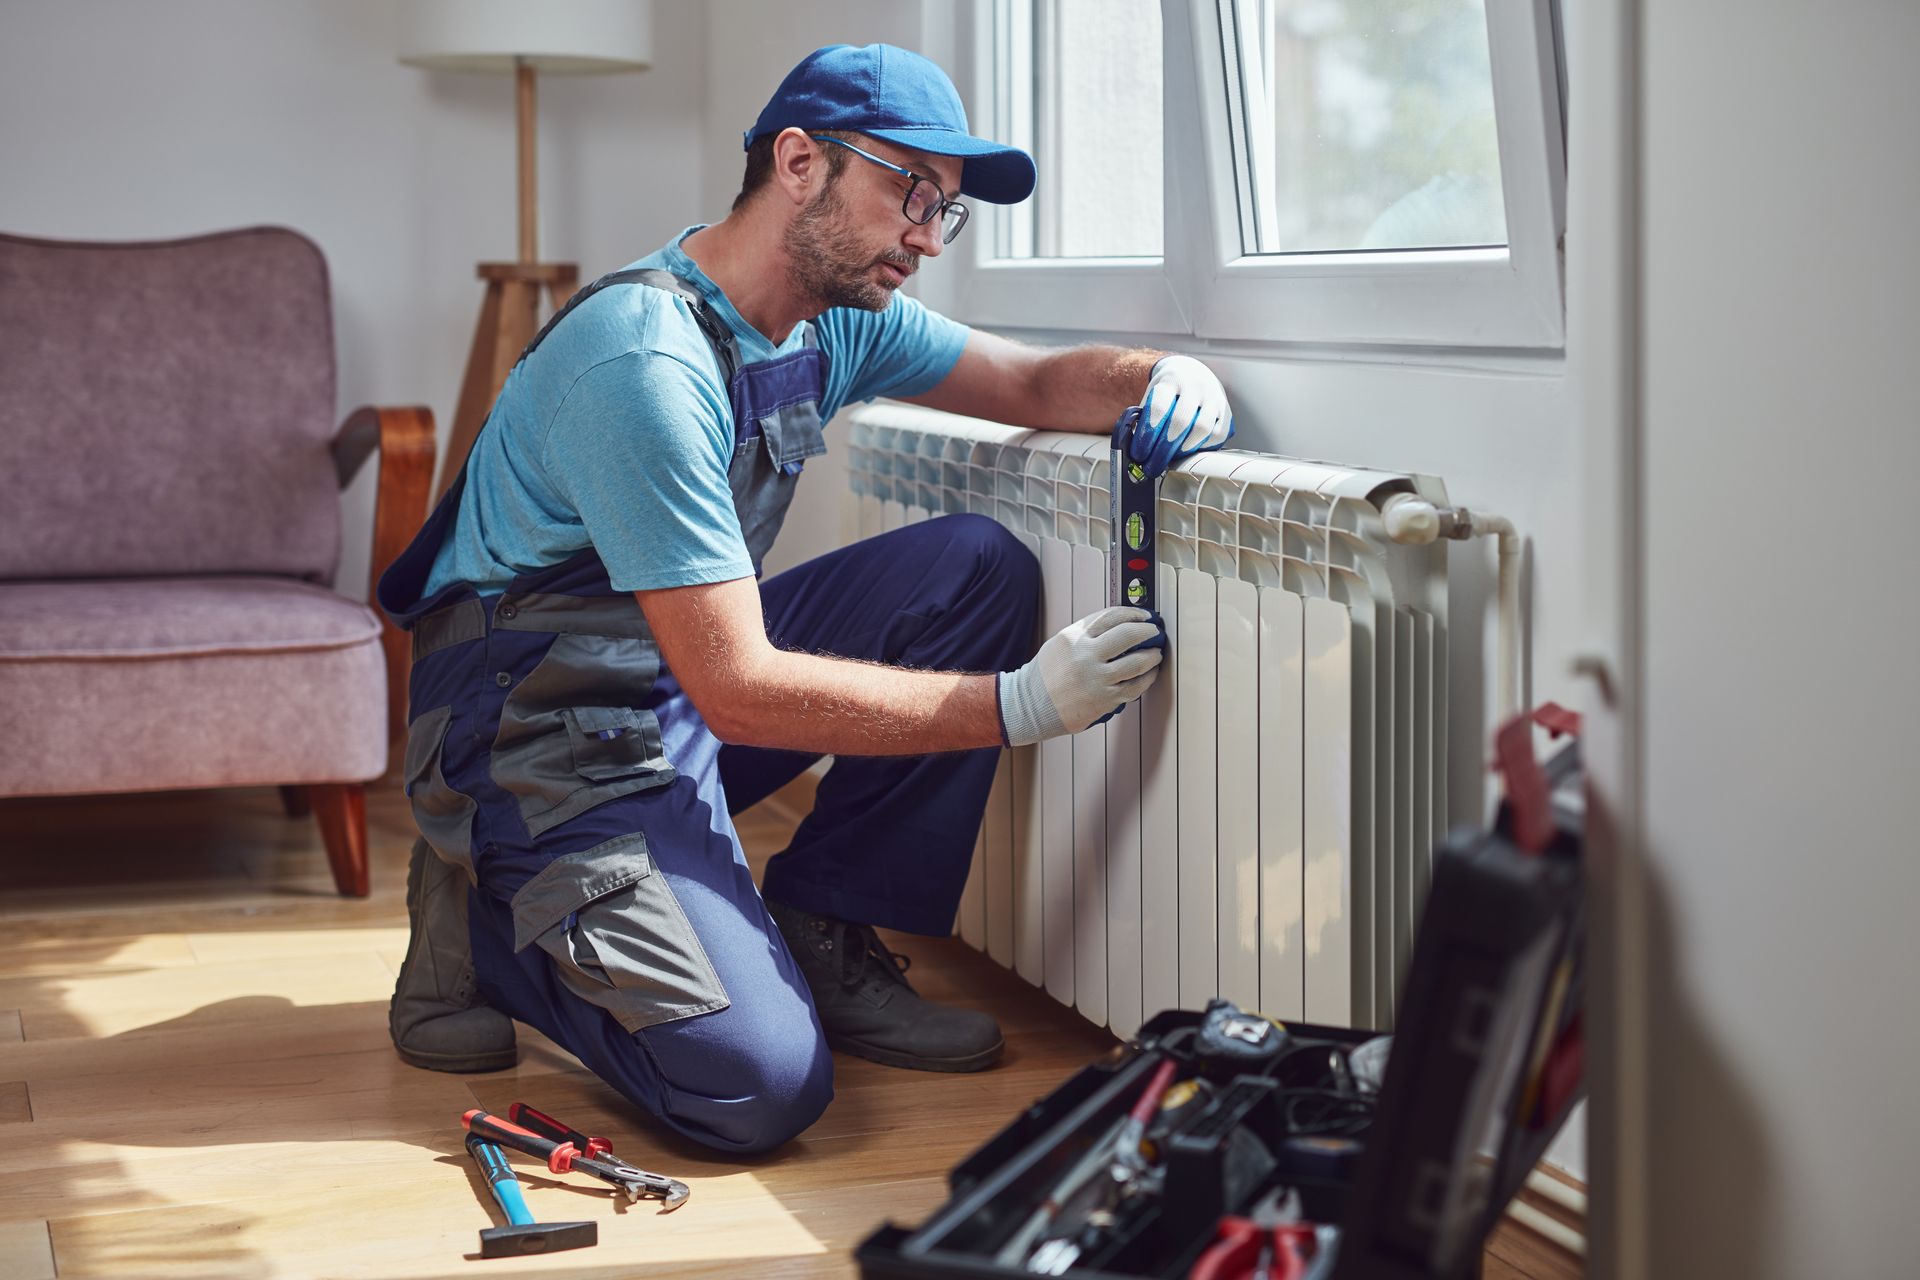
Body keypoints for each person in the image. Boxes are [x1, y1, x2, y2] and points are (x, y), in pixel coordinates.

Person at [378, 43, 1236, 1156]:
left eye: (947, 210)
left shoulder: (829, 319)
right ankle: (493, 916)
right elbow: (738, 688)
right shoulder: (641, 364)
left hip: (665, 690)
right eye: (910, 193)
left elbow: (1027, 381)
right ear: (797, 161)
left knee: (973, 568)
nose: (929, 236)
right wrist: (1019, 705)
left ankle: (823, 924)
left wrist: (1166, 378)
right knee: (756, 1088)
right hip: (537, 733)